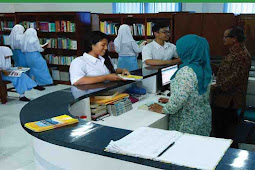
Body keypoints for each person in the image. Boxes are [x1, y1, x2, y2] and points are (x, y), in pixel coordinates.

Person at [149, 34, 212, 136]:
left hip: (187, 123)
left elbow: (179, 99)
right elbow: (193, 94)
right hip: (201, 118)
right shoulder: (203, 67)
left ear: (187, 50)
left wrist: (163, 108)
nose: (178, 52)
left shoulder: (186, 71)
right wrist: (172, 98)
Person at [210, 27, 251, 143]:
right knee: (221, 129)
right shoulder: (233, 52)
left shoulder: (241, 55)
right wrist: (210, 64)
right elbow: (226, 71)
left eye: (225, 37)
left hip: (228, 100)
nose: (223, 39)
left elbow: (235, 78)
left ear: (234, 39)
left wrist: (216, 86)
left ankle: (225, 153)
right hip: (224, 98)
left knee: (224, 132)